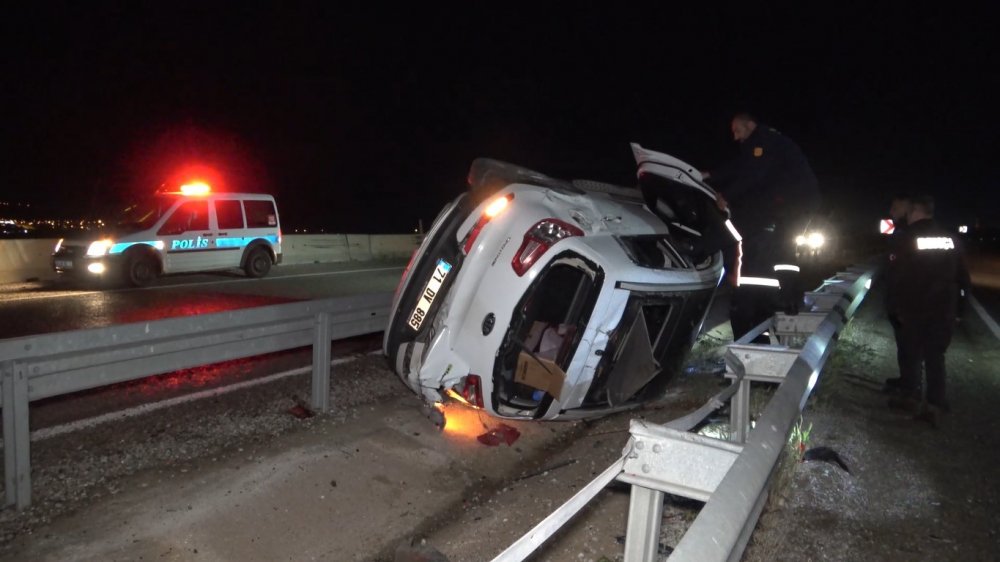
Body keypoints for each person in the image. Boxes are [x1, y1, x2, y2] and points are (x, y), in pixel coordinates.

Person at [703, 112, 822, 339]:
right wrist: (711, 174)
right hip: (790, 202)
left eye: (738, 130)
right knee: (779, 249)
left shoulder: (763, 141)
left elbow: (753, 175)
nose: (735, 137)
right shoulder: (759, 144)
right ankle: (785, 300)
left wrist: (726, 195)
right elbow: (740, 167)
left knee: (783, 248)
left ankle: (791, 299)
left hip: (797, 201)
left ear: (750, 125)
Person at [886, 195, 972, 426]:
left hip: (916, 305)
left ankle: (911, 397)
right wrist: (960, 310)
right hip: (945, 307)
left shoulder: (908, 238)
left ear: (915, 212)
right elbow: (963, 277)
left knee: (912, 352)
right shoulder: (951, 239)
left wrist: (894, 306)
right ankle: (935, 405)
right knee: (936, 356)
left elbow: (898, 277)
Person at [882, 194, 913, 393]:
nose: (891, 212)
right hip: (901, 297)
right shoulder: (900, 230)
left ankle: (910, 388)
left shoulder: (907, 233)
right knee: (904, 344)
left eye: (895, 207)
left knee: (909, 344)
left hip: (906, 298)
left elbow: (904, 269)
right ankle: (907, 381)